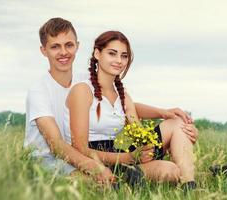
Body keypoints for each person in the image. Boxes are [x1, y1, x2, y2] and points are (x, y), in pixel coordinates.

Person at [24, 18, 199, 184]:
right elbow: (57, 145)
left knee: (178, 125)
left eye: (69, 45)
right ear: (43, 50)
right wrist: (100, 166)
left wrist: (163, 113)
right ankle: (123, 178)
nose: (63, 52)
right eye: (55, 47)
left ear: (77, 46)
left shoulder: (86, 78)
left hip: (100, 152)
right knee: (94, 184)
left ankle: (189, 185)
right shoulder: (42, 90)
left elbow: (119, 107)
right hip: (53, 157)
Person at [66, 31, 197, 189]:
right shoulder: (82, 90)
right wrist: (126, 158)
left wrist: (178, 139)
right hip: (93, 159)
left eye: (124, 56)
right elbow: (80, 148)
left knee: (173, 161)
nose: (119, 61)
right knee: (167, 170)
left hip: (119, 155)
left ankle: (190, 187)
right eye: (112, 54)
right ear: (97, 53)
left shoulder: (122, 95)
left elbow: (139, 135)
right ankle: (116, 179)